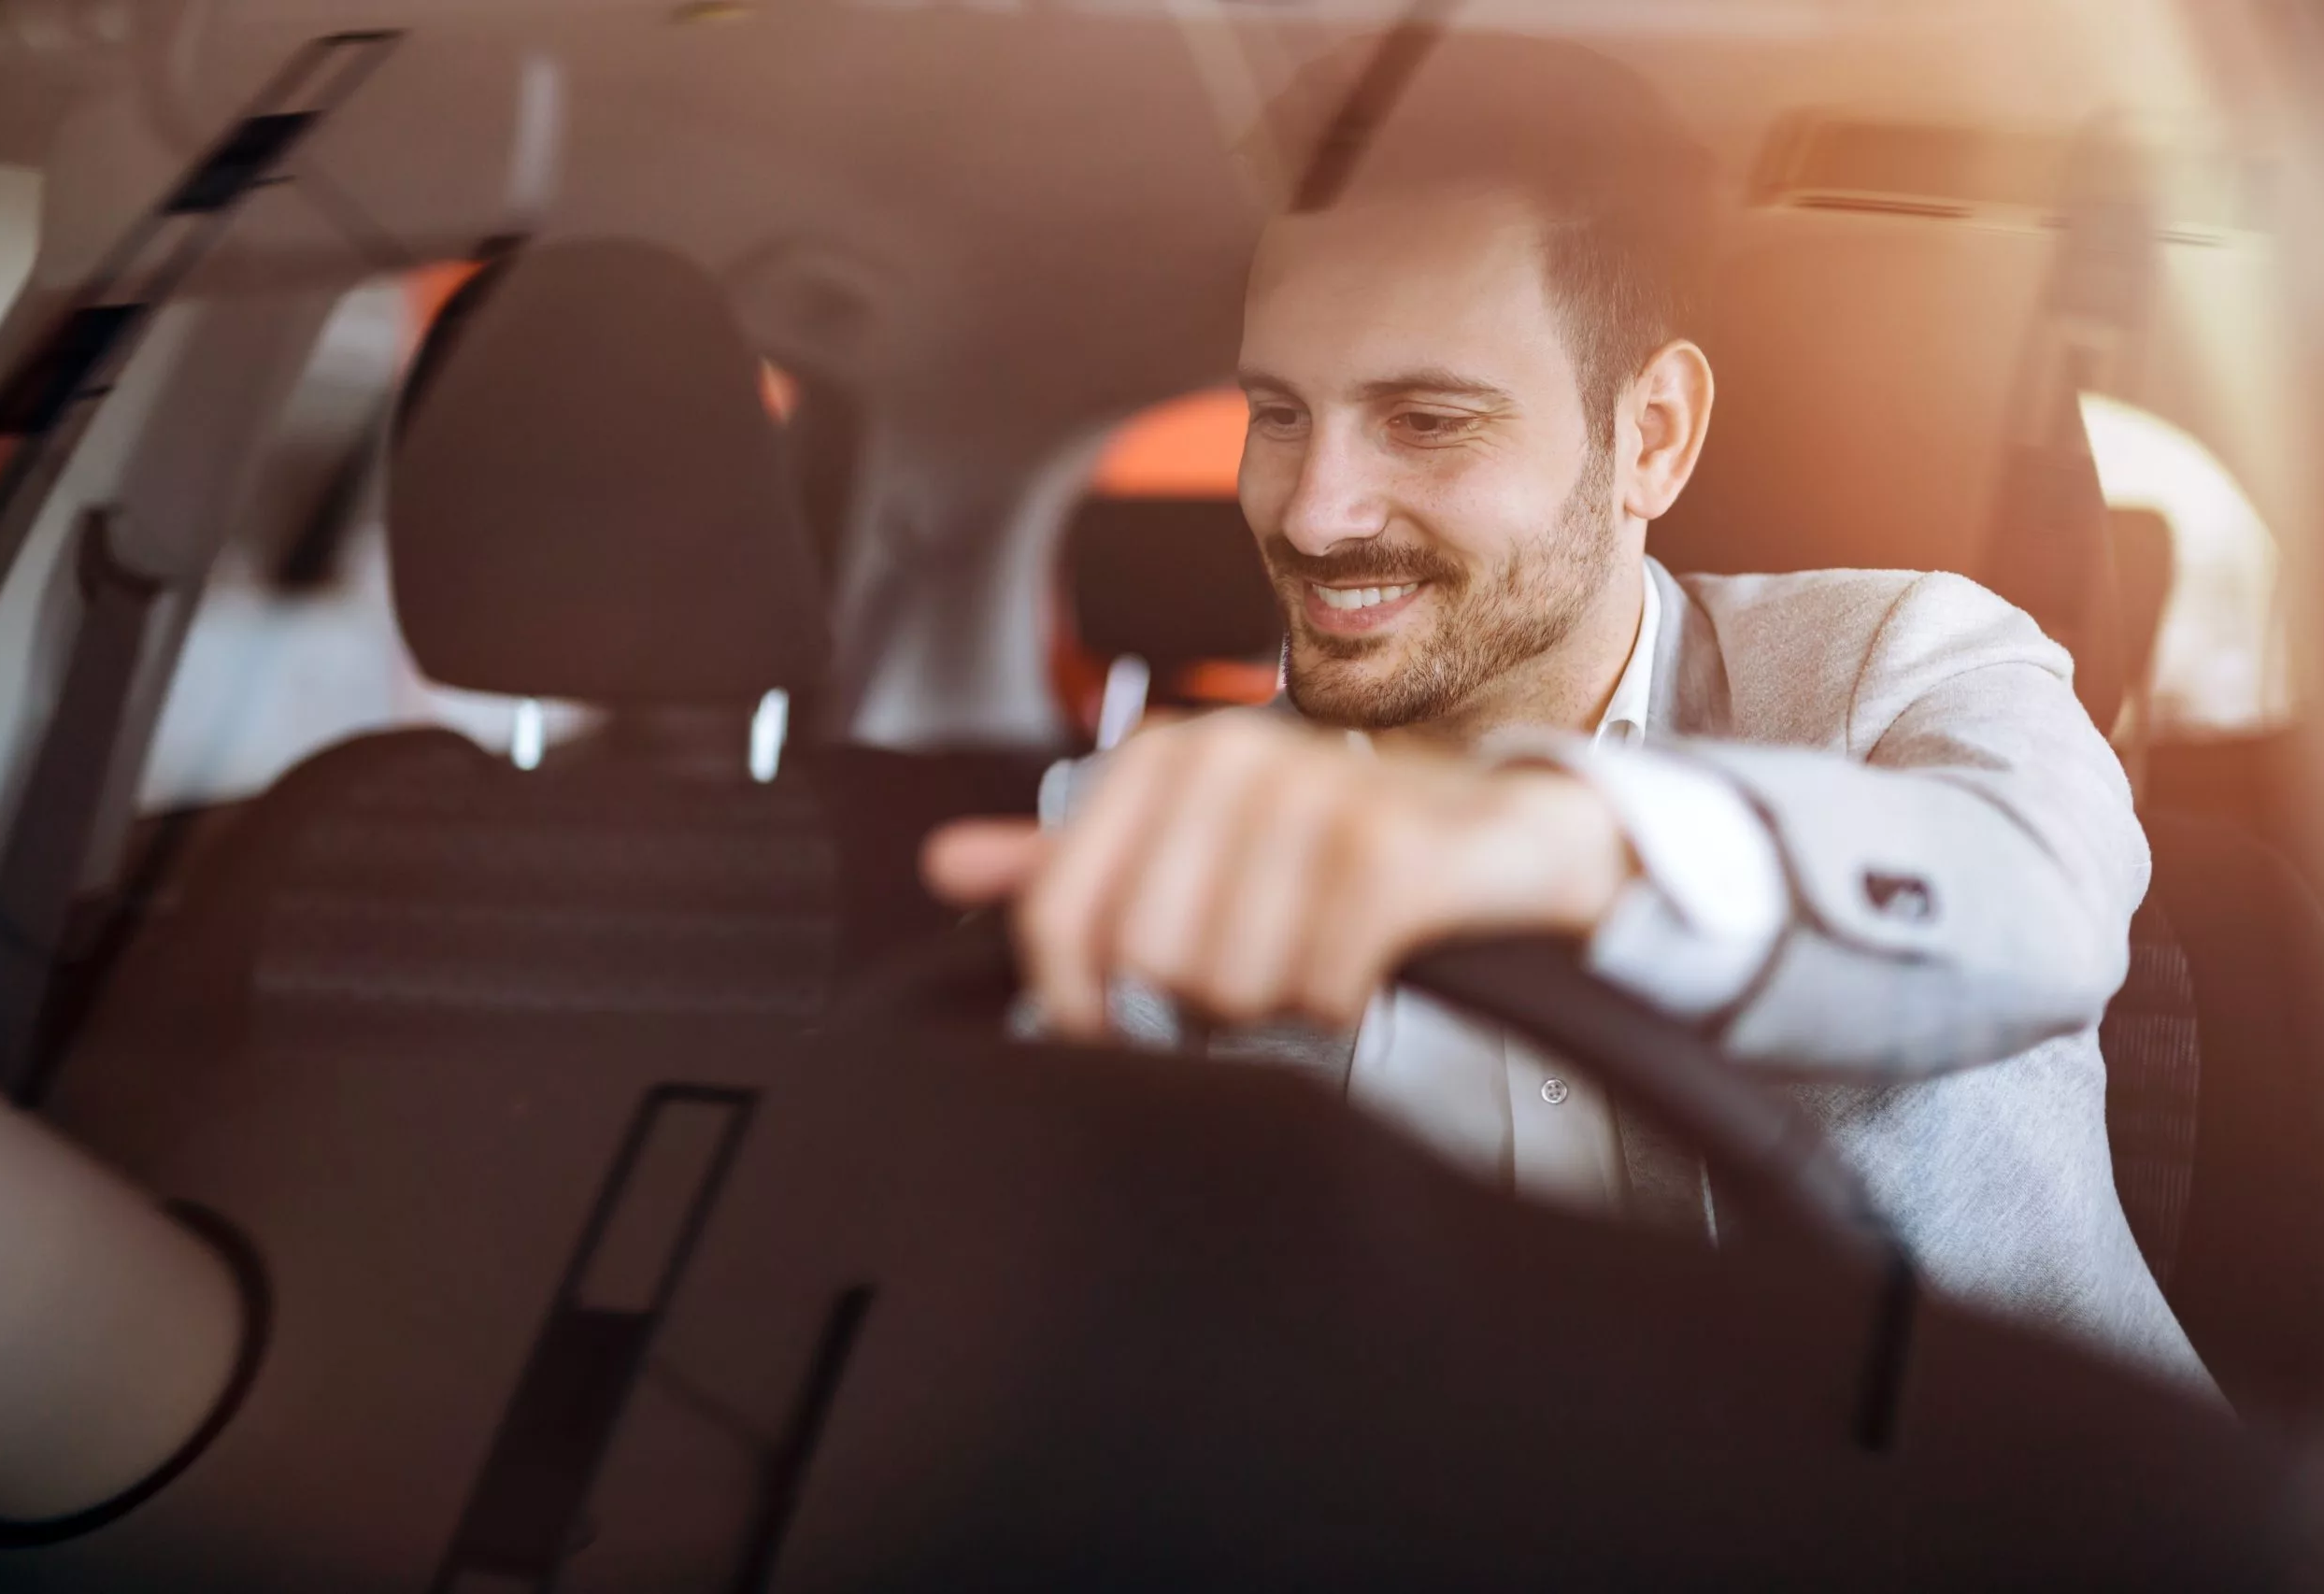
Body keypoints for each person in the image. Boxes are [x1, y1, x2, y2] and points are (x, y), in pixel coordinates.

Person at [924, 37, 2211, 1392]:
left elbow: (2035, 908)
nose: (1311, 510)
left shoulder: (1900, 663)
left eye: (1426, 420)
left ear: (1651, 434)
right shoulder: (1151, 816)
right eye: (1279, 413)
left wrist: (1561, 842)